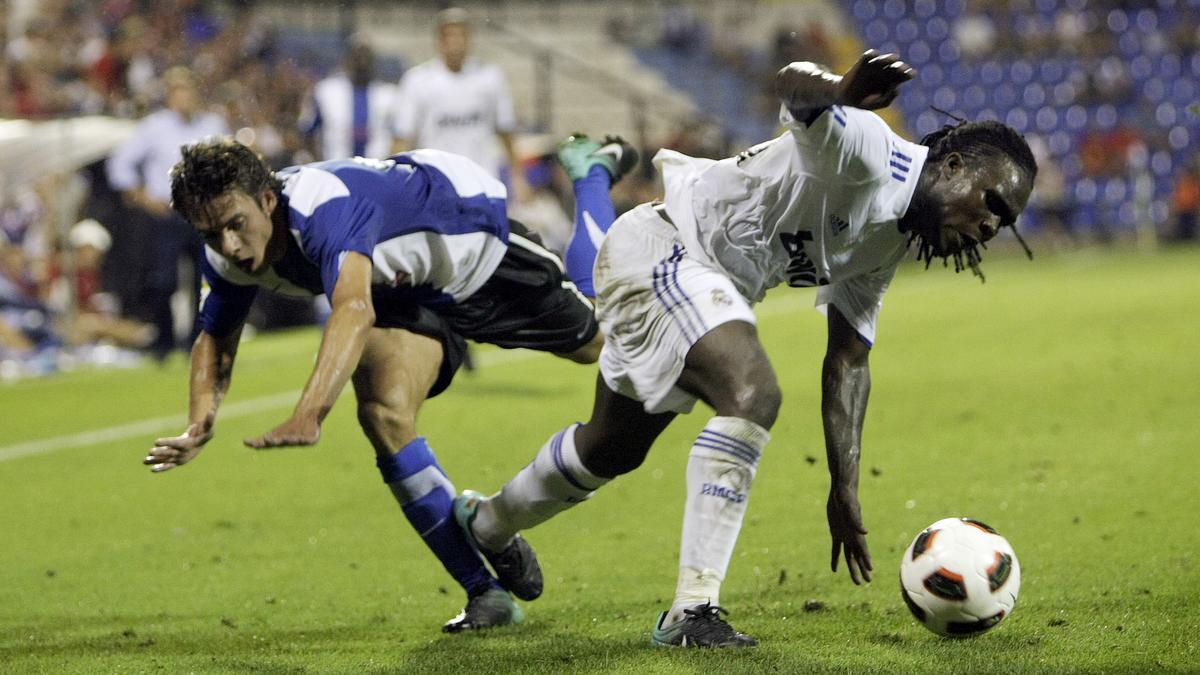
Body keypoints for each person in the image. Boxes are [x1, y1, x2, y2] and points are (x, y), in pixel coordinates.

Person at [452, 50, 1037, 647]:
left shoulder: (887, 242)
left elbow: (849, 359)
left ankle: (487, 522)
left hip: (702, 286)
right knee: (752, 393)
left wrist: (844, 486)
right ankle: (692, 611)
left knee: (609, 449)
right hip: (669, 250)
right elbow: (792, 86)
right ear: (954, 164)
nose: (991, 228)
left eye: (1006, 223)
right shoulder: (869, 151)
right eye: (993, 203)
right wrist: (839, 87)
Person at [143, 133, 638, 632]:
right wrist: (199, 421)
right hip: (398, 287)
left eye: (236, 225)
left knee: (605, 338)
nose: (229, 244)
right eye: (211, 234)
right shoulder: (229, 254)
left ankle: (590, 172)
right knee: (383, 414)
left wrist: (308, 413)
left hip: (465, 246)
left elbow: (353, 309)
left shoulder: (322, 208)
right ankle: (485, 592)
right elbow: (215, 334)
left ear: (268, 200)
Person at [106, 66, 229, 359]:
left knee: (205, 280)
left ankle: (197, 341)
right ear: (171, 97)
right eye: (178, 92)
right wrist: (142, 196)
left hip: (203, 214)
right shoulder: (154, 127)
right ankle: (164, 339)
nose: (184, 99)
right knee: (164, 280)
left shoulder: (213, 124)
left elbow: (229, 163)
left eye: (189, 92)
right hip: (167, 214)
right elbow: (120, 165)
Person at [391, 7, 529, 204]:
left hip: (483, 180)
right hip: (437, 181)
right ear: (439, 41)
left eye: (461, 35)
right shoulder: (418, 80)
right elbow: (403, 137)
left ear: (470, 39)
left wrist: (519, 176)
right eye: (449, 36)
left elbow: (505, 130)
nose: (455, 43)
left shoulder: (490, 77)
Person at [299, 39, 397, 161]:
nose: (362, 62)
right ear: (347, 60)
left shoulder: (389, 95)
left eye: (366, 57)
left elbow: (400, 136)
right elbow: (307, 132)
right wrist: (319, 164)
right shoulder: (325, 91)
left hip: (377, 169)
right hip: (335, 167)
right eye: (357, 57)